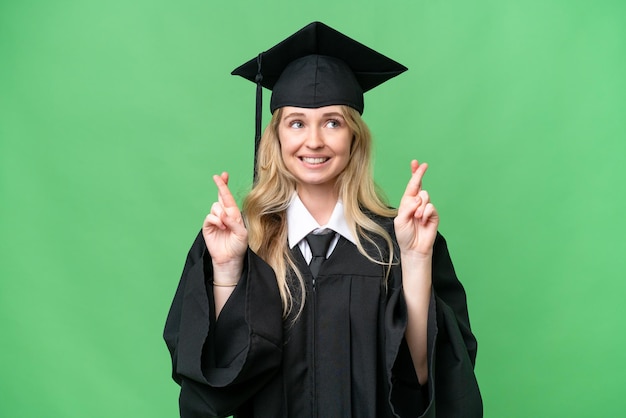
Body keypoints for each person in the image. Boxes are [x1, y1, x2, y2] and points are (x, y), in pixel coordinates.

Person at [164, 22, 482, 418]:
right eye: (296, 122)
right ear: (276, 137)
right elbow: (221, 376)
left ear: (354, 137)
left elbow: (421, 377)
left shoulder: (397, 240)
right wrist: (228, 269)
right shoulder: (243, 239)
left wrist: (415, 260)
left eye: (332, 122)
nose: (313, 140)